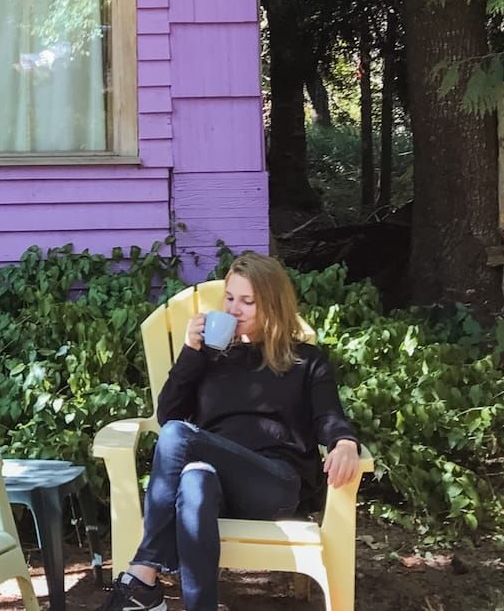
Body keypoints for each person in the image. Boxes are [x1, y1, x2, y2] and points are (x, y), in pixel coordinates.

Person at [99, 252, 362, 611]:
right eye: (230, 298)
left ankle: (144, 574)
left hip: (274, 483)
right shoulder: (210, 356)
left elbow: (329, 415)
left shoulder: (306, 360)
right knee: (194, 481)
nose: (234, 309)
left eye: (247, 301)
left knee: (179, 437)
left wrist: (344, 441)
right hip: (218, 484)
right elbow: (168, 415)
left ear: (272, 304)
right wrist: (192, 354)